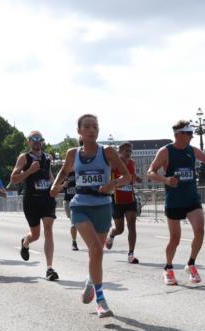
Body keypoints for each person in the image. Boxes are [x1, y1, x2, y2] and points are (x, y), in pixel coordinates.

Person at [50, 114, 131, 317]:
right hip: (81, 205)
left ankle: (90, 280)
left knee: (96, 253)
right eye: (87, 127)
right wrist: (55, 185)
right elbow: (64, 170)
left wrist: (112, 184)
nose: (91, 130)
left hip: (103, 205)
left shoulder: (108, 152)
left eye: (95, 127)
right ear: (79, 131)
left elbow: (127, 176)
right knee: (95, 248)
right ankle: (101, 300)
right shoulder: (72, 153)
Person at [147, 120, 205, 286]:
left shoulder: (192, 150)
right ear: (178, 134)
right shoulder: (166, 151)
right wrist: (166, 179)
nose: (192, 136)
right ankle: (168, 268)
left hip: (192, 198)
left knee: (200, 230)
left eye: (191, 133)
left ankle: (191, 264)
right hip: (174, 200)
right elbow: (150, 172)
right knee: (175, 238)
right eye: (188, 133)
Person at [10, 131, 59, 281]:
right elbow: (14, 179)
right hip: (31, 200)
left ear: (42, 142)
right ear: (29, 142)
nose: (37, 142)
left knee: (49, 230)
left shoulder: (47, 157)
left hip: (47, 199)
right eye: (34, 139)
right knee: (36, 235)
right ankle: (26, 242)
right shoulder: (24, 158)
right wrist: (29, 171)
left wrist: (55, 186)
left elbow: (49, 176)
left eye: (40, 139)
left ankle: (49, 268)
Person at [106, 142, 143, 263]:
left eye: (130, 151)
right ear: (120, 151)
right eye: (126, 151)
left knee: (132, 224)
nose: (128, 153)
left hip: (130, 198)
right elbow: (107, 175)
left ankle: (131, 254)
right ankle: (112, 234)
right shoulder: (114, 163)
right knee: (120, 229)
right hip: (117, 200)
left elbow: (131, 175)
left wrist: (136, 178)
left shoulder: (132, 163)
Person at [64, 164, 79, 251]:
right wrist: (63, 185)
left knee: (74, 223)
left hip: (78, 201)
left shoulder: (78, 173)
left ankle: (74, 243)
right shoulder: (64, 174)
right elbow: (58, 186)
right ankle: (74, 241)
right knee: (74, 223)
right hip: (67, 201)